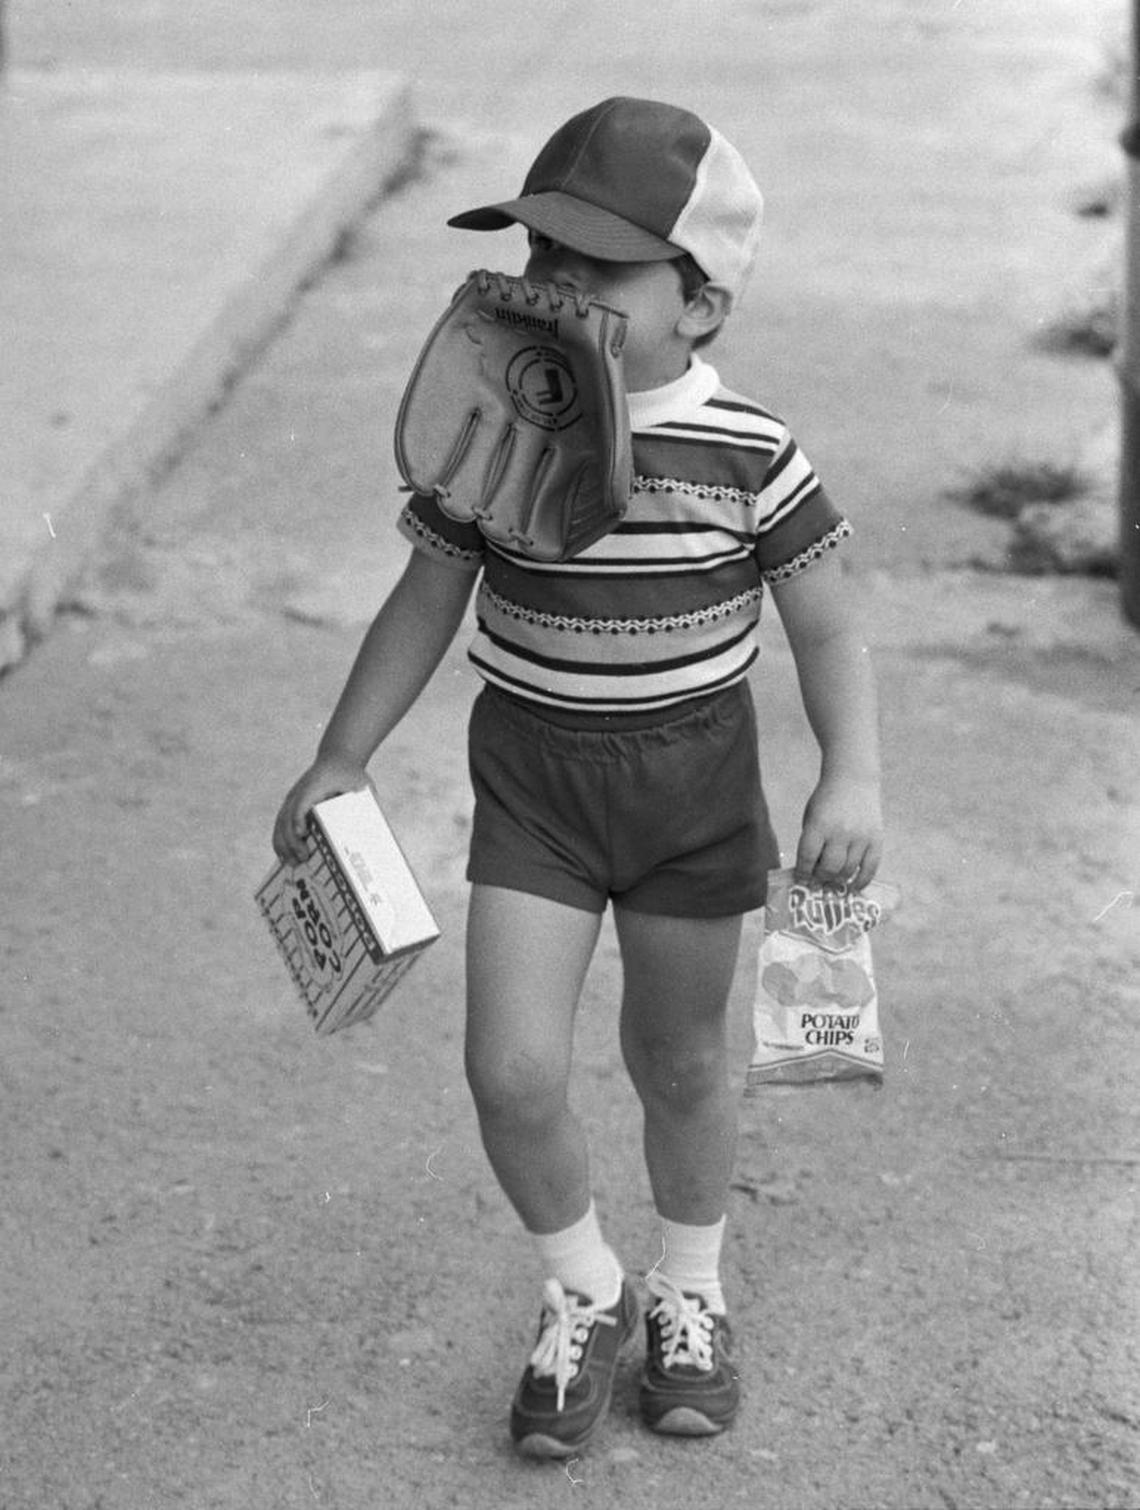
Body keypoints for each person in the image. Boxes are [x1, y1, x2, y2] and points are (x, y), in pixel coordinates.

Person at [272, 95, 883, 1460]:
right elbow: (428, 593)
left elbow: (828, 620)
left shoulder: (751, 450)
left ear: (703, 301)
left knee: (677, 1057)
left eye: (601, 264)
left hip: (692, 789)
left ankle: (688, 1282)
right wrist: (341, 753)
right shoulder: (496, 420)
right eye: (543, 252)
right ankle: (584, 1284)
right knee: (509, 1065)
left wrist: (853, 771)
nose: (556, 285)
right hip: (536, 788)